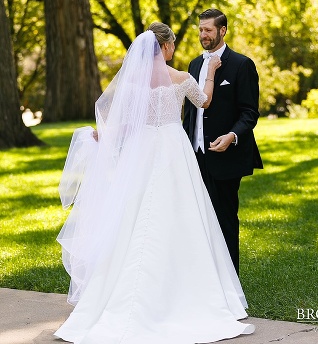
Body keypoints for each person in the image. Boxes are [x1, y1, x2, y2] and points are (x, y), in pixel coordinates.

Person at [55, 23, 255, 343]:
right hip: (173, 148)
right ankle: (183, 289)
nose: (173, 49)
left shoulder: (132, 82)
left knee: (133, 217)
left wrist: (101, 137)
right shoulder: (180, 78)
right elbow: (203, 101)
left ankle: (116, 292)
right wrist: (212, 72)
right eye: (172, 44)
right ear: (165, 47)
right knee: (180, 214)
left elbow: (121, 123)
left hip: (142, 150)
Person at [182, 8, 262, 274]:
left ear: (222, 30)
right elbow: (192, 111)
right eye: (200, 30)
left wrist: (232, 136)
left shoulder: (242, 64)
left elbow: (250, 112)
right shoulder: (194, 65)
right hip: (197, 156)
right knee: (200, 219)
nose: (203, 35)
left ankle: (231, 282)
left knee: (225, 219)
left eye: (208, 30)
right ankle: (207, 278)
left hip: (226, 156)